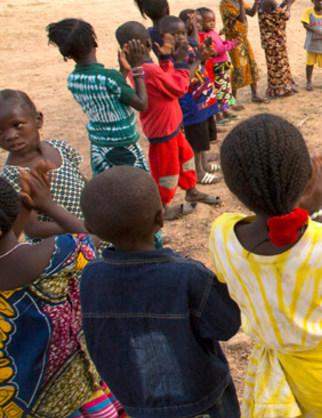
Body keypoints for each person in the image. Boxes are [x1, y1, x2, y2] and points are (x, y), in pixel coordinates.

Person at [209, 114, 322, 417]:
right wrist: (320, 212)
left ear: (235, 190)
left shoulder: (222, 235)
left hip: (271, 374)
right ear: (307, 183)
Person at [0, 169, 125, 417]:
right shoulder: (60, 252)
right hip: (78, 379)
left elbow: (0, 240)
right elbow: (92, 238)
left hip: (18, 391)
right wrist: (47, 205)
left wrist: (22, 211)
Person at [79, 166, 241, 418]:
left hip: (137, 403)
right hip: (201, 401)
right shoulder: (188, 275)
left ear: (89, 228)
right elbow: (227, 326)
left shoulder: (90, 276)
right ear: (160, 217)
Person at [117, 20, 219, 224]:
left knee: (186, 157)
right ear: (148, 43)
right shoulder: (148, 70)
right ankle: (161, 208)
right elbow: (178, 87)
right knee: (167, 173)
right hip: (163, 133)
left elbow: (164, 80)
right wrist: (186, 61)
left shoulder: (141, 67)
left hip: (170, 127)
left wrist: (165, 59)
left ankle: (191, 191)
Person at [0, 90, 87, 243]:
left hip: (92, 231)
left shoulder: (59, 147)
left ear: (38, 120)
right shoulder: (12, 177)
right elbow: (33, 228)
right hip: (63, 248)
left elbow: (84, 184)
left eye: (17, 125)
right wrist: (81, 227)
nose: (10, 136)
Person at [51, 18, 148, 175]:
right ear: (94, 42)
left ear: (67, 54)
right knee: (135, 186)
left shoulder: (73, 80)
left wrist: (122, 71)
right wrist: (137, 67)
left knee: (108, 185)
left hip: (99, 145)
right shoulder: (108, 77)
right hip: (122, 145)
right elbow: (142, 104)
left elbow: (108, 96)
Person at [176, 9, 222, 186]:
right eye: (178, 33)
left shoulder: (189, 46)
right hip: (192, 106)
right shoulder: (175, 55)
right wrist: (198, 60)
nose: (182, 36)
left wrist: (203, 56)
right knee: (196, 142)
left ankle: (204, 164)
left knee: (203, 139)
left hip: (203, 102)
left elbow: (199, 64)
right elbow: (184, 78)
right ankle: (199, 172)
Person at [212, 0, 266, 106]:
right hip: (234, 41)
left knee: (251, 64)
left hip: (243, 39)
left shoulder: (236, 1)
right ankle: (232, 100)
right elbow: (241, 18)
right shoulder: (225, 5)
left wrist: (257, 0)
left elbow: (252, 13)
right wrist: (241, 1)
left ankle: (254, 94)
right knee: (238, 68)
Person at [256, 0, 298, 98]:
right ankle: (281, 89)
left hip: (269, 40)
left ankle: (283, 87)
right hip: (275, 40)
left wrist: (285, 2)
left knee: (275, 64)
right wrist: (289, 4)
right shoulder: (270, 1)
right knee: (279, 65)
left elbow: (275, 12)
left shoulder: (263, 1)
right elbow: (285, 16)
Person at [197, 8, 239, 117]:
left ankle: (226, 109)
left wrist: (227, 42)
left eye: (213, 20)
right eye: (208, 21)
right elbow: (218, 49)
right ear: (200, 22)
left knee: (225, 87)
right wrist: (233, 44)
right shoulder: (205, 36)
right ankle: (223, 111)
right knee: (221, 88)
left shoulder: (212, 32)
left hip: (222, 65)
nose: (212, 23)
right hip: (217, 66)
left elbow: (220, 43)